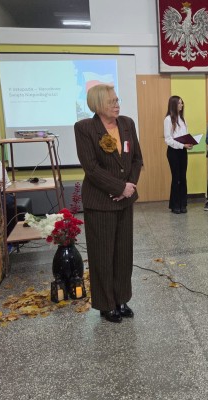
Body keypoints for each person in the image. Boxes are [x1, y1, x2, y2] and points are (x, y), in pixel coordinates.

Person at [74, 84, 143, 323]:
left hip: (125, 200)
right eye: (111, 101)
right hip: (100, 201)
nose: (117, 105)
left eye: (117, 100)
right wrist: (118, 187)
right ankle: (106, 304)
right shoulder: (84, 128)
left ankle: (122, 299)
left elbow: (136, 159)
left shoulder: (127, 123)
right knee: (102, 255)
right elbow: (91, 168)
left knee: (123, 254)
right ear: (98, 105)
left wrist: (129, 187)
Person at [164, 95, 193, 214]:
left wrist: (189, 143)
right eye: (179, 103)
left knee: (183, 177)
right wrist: (182, 145)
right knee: (176, 178)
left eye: (182, 103)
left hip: (183, 151)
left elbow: (185, 136)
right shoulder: (168, 119)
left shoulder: (183, 119)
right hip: (173, 152)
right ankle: (175, 205)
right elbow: (168, 139)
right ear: (173, 105)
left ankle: (183, 204)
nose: (181, 105)